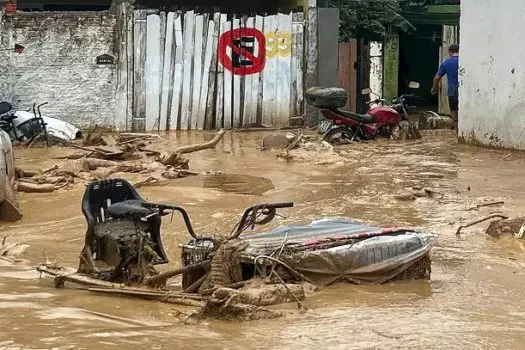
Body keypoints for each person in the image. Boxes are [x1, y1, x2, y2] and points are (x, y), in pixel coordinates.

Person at [432, 44, 459, 133]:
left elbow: (437, 78)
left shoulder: (446, 63)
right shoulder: (465, 61)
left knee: (454, 113)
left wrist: (434, 88)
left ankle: (456, 133)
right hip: (466, 92)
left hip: (453, 91)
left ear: (450, 52)